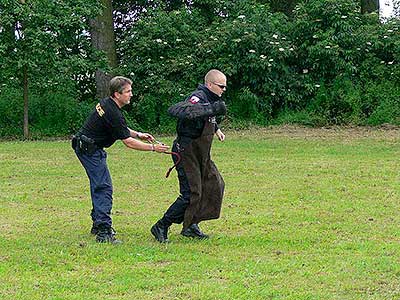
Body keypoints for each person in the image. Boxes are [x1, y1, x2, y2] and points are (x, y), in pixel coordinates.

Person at [72, 76, 169, 244]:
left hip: (85, 145)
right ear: (117, 94)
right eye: (128, 91)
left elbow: (121, 129)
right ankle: (104, 232)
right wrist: (154, 148)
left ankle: (98, 224)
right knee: (103, 188)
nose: (131, 94)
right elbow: (128, 143)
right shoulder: (113, 112)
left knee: (99, 185)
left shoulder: (107, 104)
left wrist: (138, 134)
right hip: (90, 150)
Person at [151, 69, 227, 243]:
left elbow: (205, 119)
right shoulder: (197, 97)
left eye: (225, 87)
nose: (223, 90)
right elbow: (185, 112)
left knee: (214, 184)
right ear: (209, 84)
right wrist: (211, 108)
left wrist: (216, 129)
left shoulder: (213, 99)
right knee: (191, 193)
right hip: (186, 151)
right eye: (221, 86)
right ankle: (161, 225)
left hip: (202, 154)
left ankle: (191, 224)